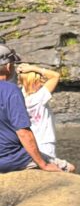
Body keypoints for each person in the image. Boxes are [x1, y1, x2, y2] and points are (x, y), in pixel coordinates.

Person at [0, 43, 60, 173]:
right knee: (67, 168)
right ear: (9, 66)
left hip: (15, 151)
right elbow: (23, 132)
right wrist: (43, 165)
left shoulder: (19, 95)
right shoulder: (16, 93)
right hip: (24, 153)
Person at [18, 64, 75, 172]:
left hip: (29, 143)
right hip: (45, 142)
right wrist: (34, 68)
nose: (43, 81)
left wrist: (23, 72)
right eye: (40, 79)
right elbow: (55, 76)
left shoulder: (20, 96)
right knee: (51, 171)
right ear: (35, 81)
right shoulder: (40, 97)